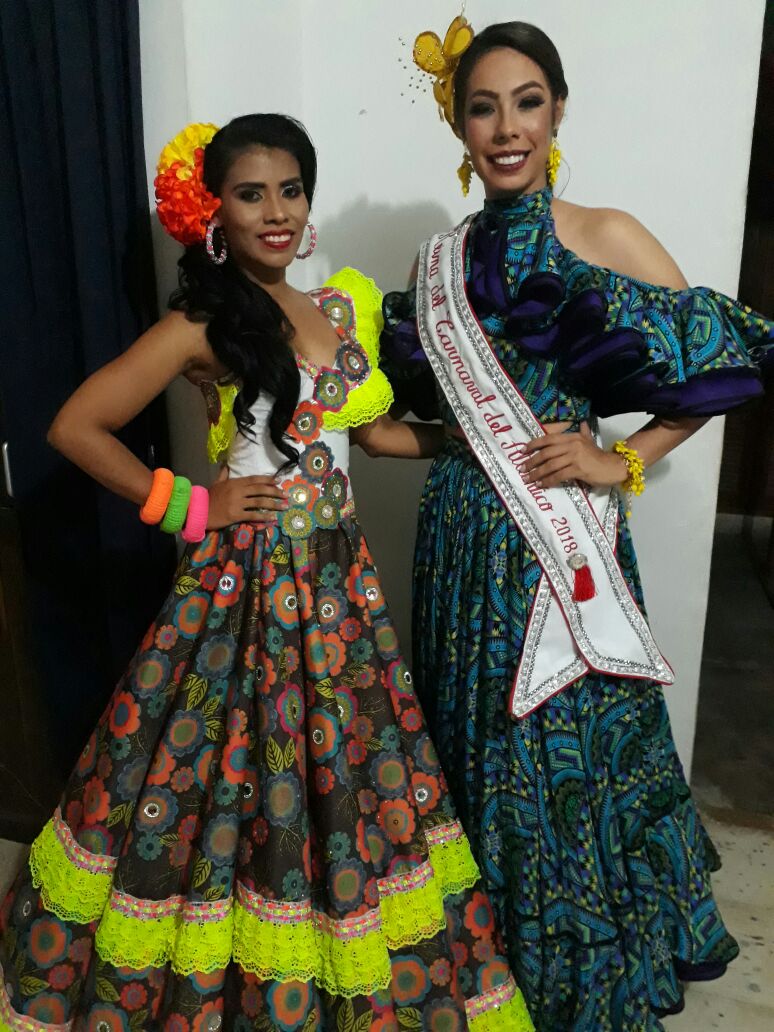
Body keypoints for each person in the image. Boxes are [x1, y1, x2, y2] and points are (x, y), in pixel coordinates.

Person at [0, 114, 534, 1030]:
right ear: (219, 210)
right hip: (244, 586)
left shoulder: (338, 307)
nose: (275, 212)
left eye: (290, 190)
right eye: (251, 194)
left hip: (340, 589)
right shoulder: (202, 322)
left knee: (347, 776)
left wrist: (480, 443)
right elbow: (75, 425)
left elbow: (367, 435)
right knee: (226, 773)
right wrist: (192, 507)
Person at [381, 17, 774, 1032]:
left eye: (526, 102)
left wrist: (620, 458)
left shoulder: (605, 235)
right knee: (481, 757)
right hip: (464, 549)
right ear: (458, 123)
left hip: (567, 553)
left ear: (556, 111)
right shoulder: (441, 263)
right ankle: (487, 973)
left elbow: (724, 366)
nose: (505, 127)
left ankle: (580, 978)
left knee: (571, 763)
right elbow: (447, 427)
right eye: (482, 106)